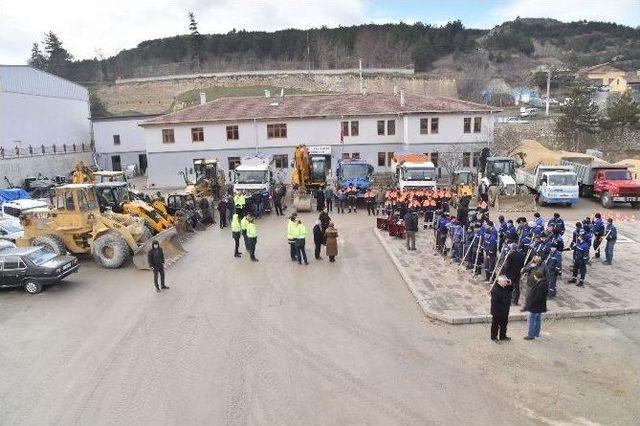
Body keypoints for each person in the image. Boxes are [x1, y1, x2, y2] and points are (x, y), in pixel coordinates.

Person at [522, 270, 548, 340]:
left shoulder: (540, 284)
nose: (534, 277)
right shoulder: (544, 283)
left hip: (536, 306)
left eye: (534, 276)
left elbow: (538, 296)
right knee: (537, 319)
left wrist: (531, 302)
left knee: (531, 319)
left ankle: (531, 335)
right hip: (540, 305)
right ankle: (536, 333)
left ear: (537, 277)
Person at [490, 275, 513, 342]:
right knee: (495, 325)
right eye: (504, 282)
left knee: (504, 324)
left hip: (505, 310)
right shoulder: (495, 290)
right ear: (499, 282)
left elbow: (511, 289)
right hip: (498, 311)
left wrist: (510, 284)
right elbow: (494, 302)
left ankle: (503, 336)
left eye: (506, 281)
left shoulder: (505, 286)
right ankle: (494, 337)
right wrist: (500, 311)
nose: (506, 283)